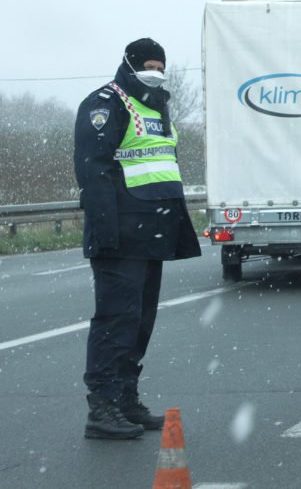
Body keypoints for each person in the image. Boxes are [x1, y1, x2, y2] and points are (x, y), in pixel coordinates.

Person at [73, 38, 201, 439]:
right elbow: (94, 170)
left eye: (161, 66)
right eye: (149, 64)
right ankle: (103, 407)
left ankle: (126, 398)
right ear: (129, 64)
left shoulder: (158, 106)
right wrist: (107, 232)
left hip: (152, 234)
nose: (156, 72)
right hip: (121, 236)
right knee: (116, 320)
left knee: (140, 322)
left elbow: (163, 166)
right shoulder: (106, 103)